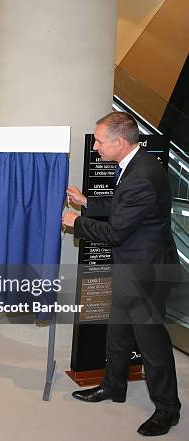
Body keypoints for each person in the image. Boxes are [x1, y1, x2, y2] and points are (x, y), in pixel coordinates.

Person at [63, 112, 181, 437]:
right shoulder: (134, 164)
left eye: (100, 141)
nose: (96, 147)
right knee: (117, 332)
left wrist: (77, 222)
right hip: (130, 267)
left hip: (144, 273)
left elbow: (116, 233)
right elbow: (122, 204)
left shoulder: (141, 174)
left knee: (151, 343)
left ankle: (168, 410)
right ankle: (112, 386)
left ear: (119, 141)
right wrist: (88, 203)